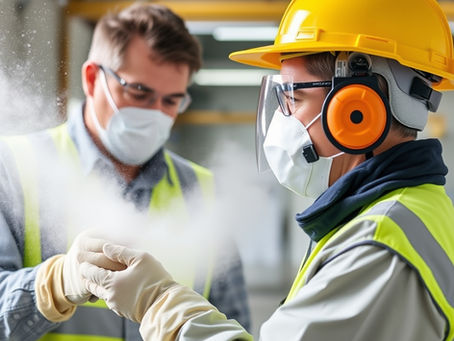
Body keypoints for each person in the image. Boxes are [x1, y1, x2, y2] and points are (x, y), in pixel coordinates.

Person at [79, 0, 454, 340]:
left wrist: (158, 303)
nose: (282, 117)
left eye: (293, 97)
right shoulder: (405, 215)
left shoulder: (381, 245)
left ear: (357, 110)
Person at [0, 3, 250, 340]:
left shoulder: (202, 190)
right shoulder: (13, 168)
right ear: (91, 79)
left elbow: (229, 323)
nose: (156, 114)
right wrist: (56, 284)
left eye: (171, 100)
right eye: (140, 92)